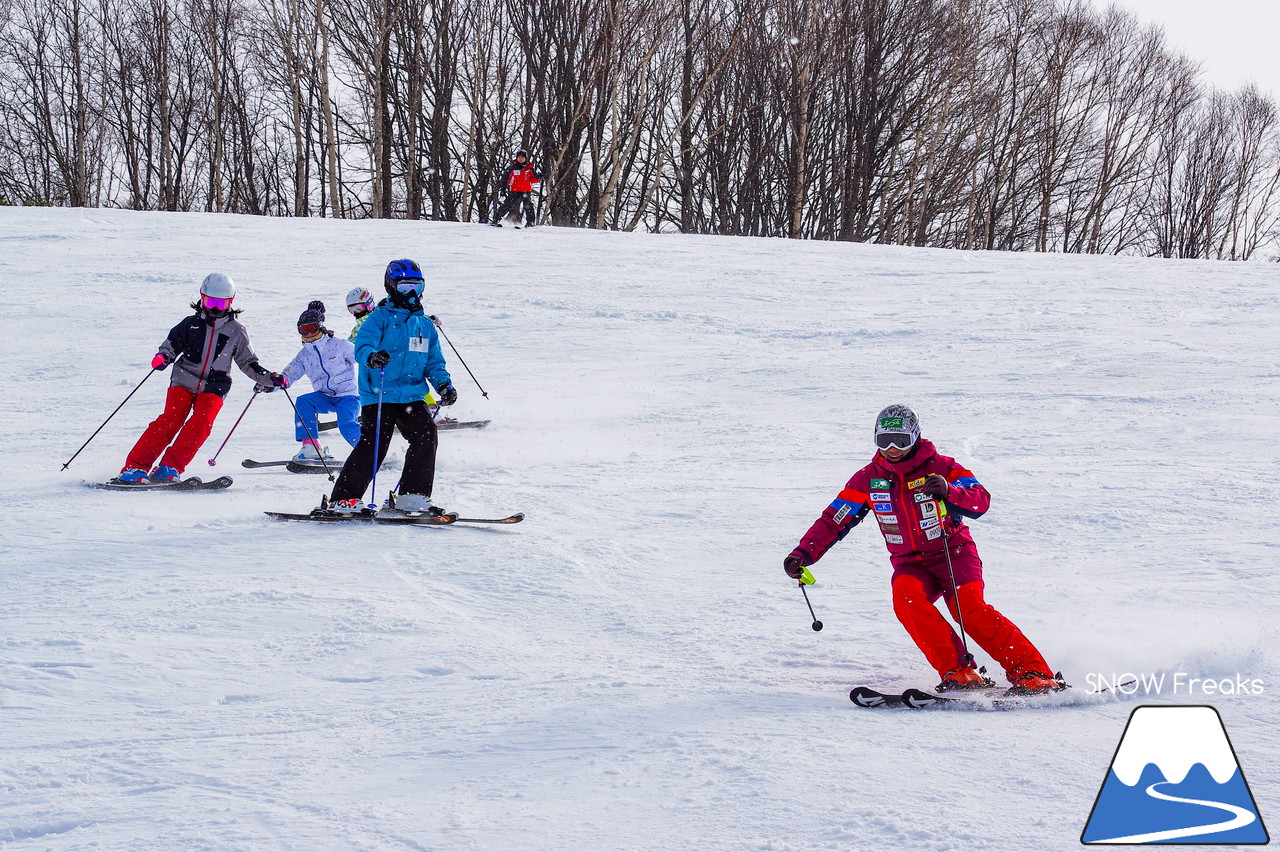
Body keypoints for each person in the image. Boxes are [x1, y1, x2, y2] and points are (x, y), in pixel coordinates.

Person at [783, 405, 1062, 695]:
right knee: (907, 600)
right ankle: (959, 672)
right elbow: (834, 519)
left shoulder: (942, 467)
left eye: (900, 441)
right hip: (911, 564)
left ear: (915, 437)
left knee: (968, 609)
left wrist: (949, 491)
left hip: (953, 554)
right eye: (884, 441)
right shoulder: (868, 479)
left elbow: (981, 501)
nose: (892, 449)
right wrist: (803, 554)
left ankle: (1034, 673)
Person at [118, 273, 285, 483]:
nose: (215, 309)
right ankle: (135, 467)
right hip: (183, 379)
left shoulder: (237, 332)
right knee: (171, 420)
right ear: (202, 298)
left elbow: (248, 362)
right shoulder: (190, 324)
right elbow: (171, 345)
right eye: (210, 302)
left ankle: (169, 468)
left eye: (220, 304)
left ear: (230, 303)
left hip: (215, 386)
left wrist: (269, 378)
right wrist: (163, 356)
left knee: (202, 423)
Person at [325, 259, 458, 514]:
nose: (411, 293)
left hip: (411, 395)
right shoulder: (378, 318)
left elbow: (434, 362)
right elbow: (362, 346)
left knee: (426, 435)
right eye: (405, 285)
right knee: (374, 444)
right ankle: (344, 498)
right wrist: (372, 357)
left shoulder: (425, 325)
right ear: (391, 286)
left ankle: (412, 496)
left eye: (417, 286)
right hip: (379, 393)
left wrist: (443, 385)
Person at [280, 306, 360, 459]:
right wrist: (277, 381)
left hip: (347, 395)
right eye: (303, 330)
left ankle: (369, 453)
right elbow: (290, 373)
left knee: (346, 425)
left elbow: (361, 357)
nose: (308, 333)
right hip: (324, 396)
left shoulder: (339, 345)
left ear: (320, 327)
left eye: (312, 328)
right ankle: (311, 446)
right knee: (304, 401)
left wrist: (376, 361)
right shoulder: (304, 355)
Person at [489, 149, 543, 228]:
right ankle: (495, 219)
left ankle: (530, 222)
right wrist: (503, 189)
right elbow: (504, 178)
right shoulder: (512, 168)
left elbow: (533, 179)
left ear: (526, 158)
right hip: (515, 189)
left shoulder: (530, 168)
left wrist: (538, 177)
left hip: (526, 190)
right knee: (507, 205)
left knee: (528, 205)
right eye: (519, 157)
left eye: (522, 157)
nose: (520, 159)